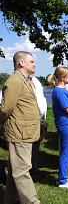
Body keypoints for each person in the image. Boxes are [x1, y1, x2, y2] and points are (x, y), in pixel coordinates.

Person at [0, 51, 41, 203]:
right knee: (21, 171)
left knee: (15, 171)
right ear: (21, 63)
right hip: (19, 132)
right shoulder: (15, 81)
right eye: (31, 61)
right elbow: (5, 109)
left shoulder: (24, 80)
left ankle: (11, 200)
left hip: (24, 131)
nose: (34, 64)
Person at [30, 76, 48, 173]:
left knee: (36, 144)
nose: (34, 66)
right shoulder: (15, 81)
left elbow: (40, 98)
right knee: (27, 146)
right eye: (31, 62)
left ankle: (34, 167)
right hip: (27, 120)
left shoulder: (35, 80)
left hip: (39, 119)